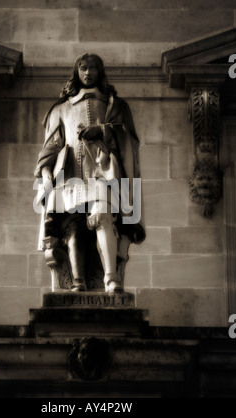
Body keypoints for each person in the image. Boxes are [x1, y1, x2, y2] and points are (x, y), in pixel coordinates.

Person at [34, 53, 145, 293]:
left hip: (103, 171)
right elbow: (50, 148)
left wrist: (103, 131)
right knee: (73, 230)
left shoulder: (116, 106)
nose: (88, 73)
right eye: (83, 68)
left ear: (100, 72)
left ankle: (111, 278)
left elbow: (128, 142)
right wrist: (45, 175)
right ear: (76, 73)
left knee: (102, 216)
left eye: (93, 68)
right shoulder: (61, 109)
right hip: (70, 179)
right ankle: (78, 281)